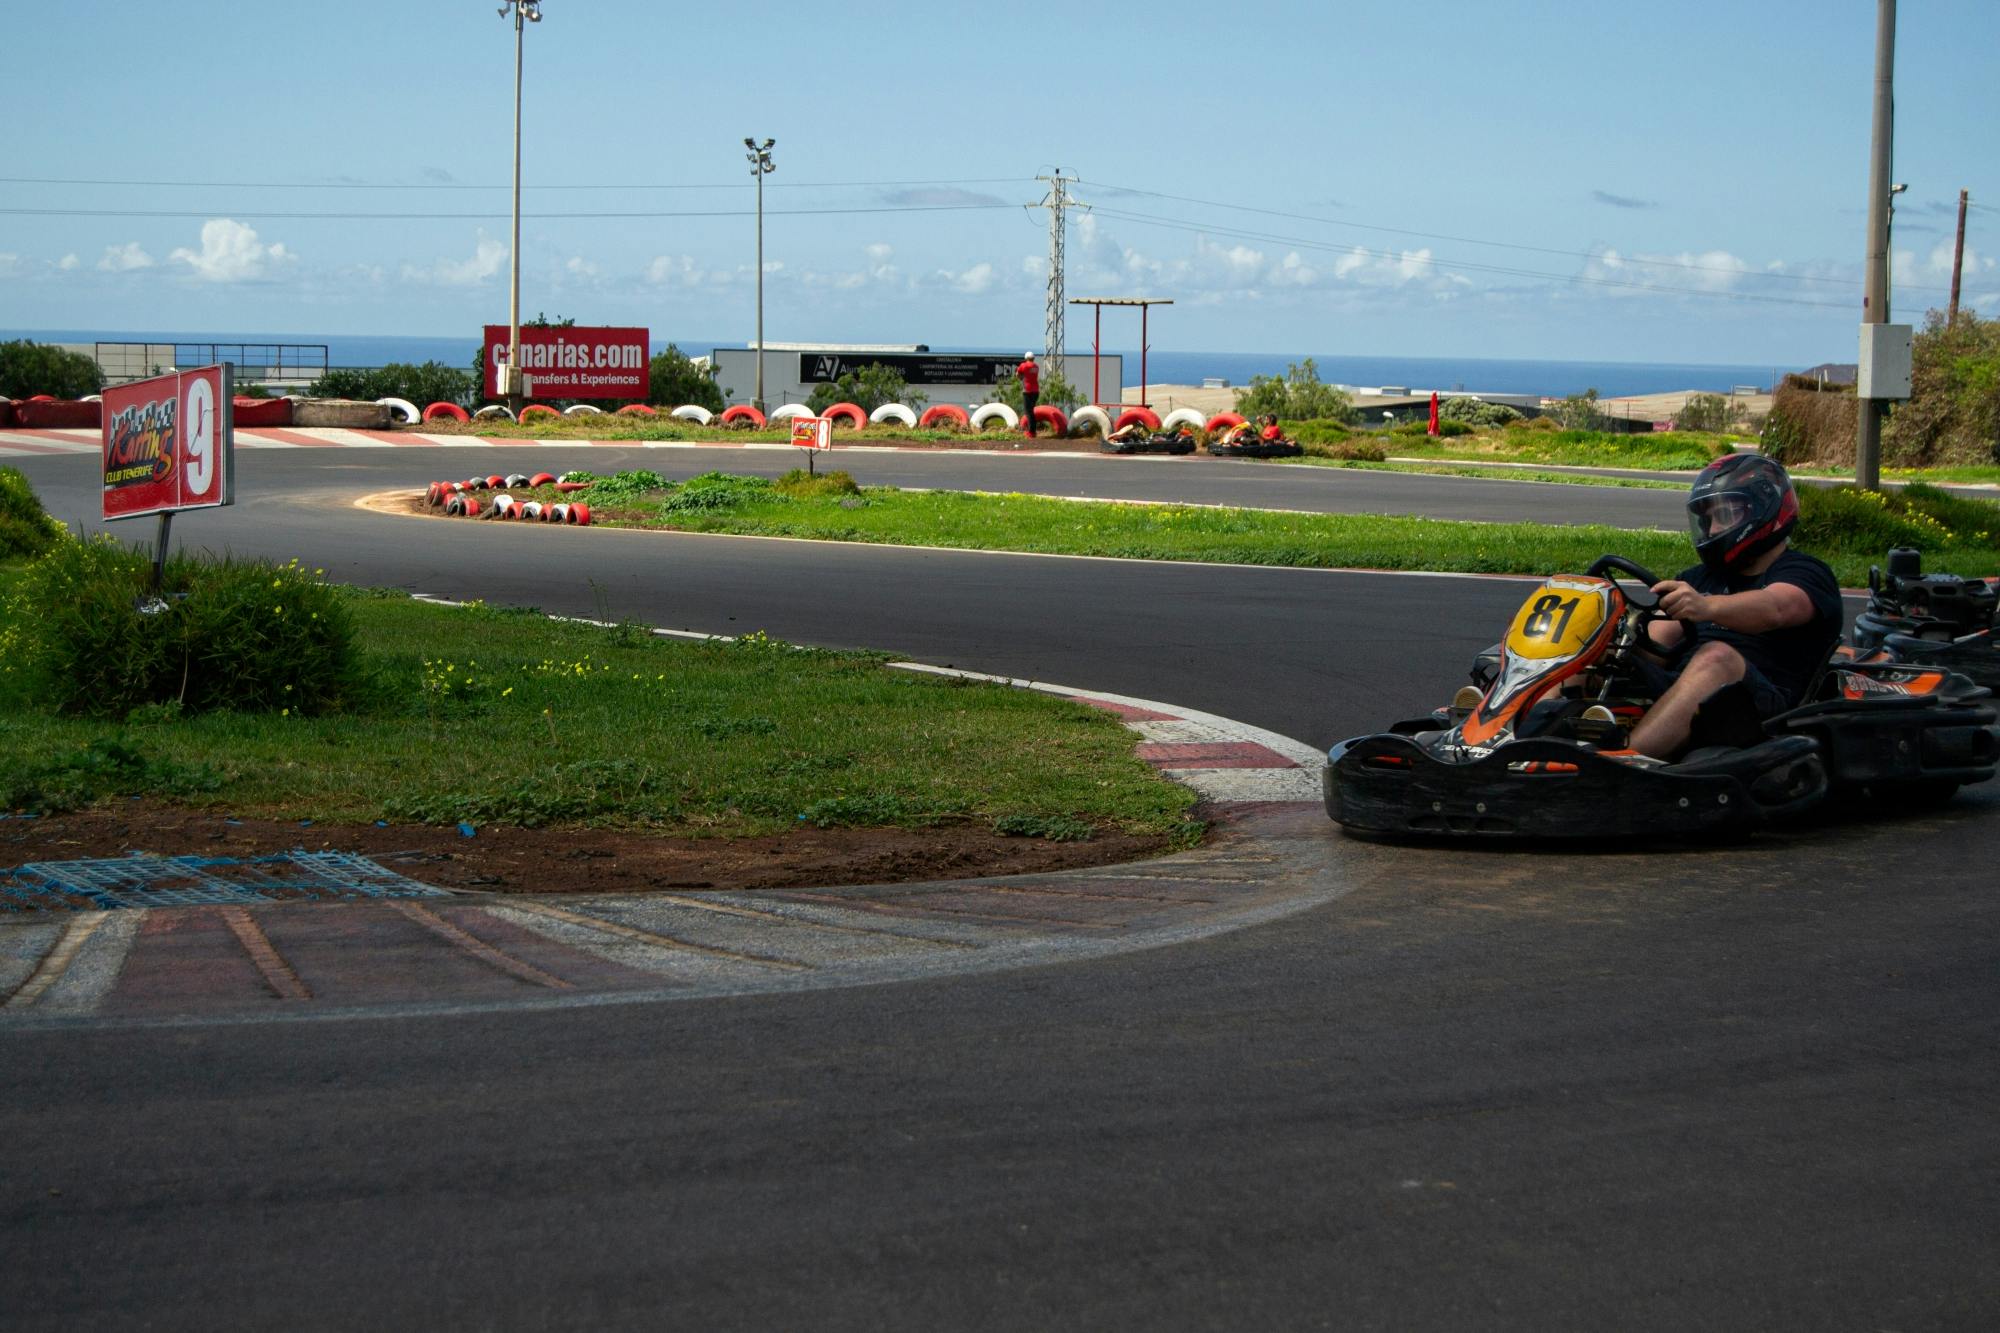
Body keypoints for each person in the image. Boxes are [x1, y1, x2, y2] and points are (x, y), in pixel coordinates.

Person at [1625, 454, 1842, 760]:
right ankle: (1535, 736)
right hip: (1680, 691)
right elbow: (1655, 647)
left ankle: (1622, 762)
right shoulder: (1698, 578)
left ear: (1763, 509)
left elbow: (1776, 607)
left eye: (1724, 515)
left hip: (1762, 708)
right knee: (1595, 653)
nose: (1712, 530)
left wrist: (1706, 606)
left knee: (1717, 657)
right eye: (1707, 519)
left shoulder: (1805, 571)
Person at [1017, 352, 1040, 438]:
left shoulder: (1024, 365)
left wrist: (1020, 377)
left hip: (1027, 391)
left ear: (1026, 358)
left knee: (1028, 412)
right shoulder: (1036, 366)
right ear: (1033, 358)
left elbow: (1018, 375)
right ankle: (1033, 431)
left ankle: (1031, 432)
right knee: (1031, 411)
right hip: (1036, 391)